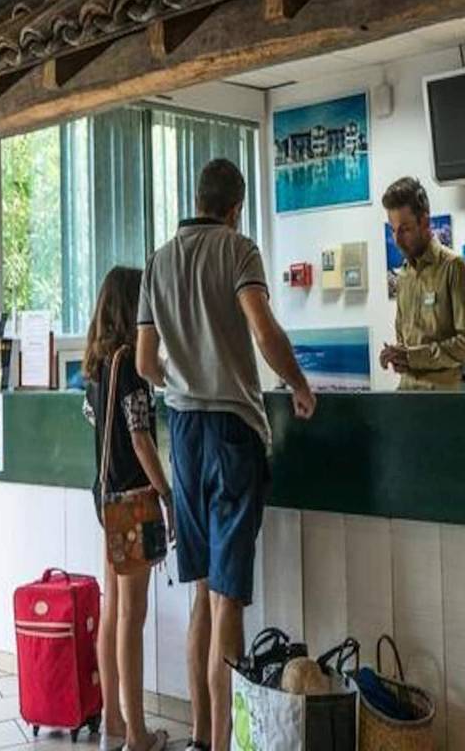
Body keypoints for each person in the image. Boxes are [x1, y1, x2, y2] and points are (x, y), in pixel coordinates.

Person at [136, 158, 316, 751]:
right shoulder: (239, 251)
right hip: (234, 431)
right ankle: (226, 744)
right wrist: (298, 385)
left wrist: (178, 377)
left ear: (197, 196)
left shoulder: (159, 260)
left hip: (183, 432)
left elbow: (143, 362)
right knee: (229, 595)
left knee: (201, 592)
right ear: (235, 206)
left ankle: (200, 737)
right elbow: (263, 331)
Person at [83, 267, 173, 751]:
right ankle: (138, 734)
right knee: (132, 619)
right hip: (133, 500)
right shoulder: (133, 366)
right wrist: (167, 493)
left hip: (103, 497)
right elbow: (141, 440)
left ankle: (113, 722)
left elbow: (97, 425)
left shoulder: (95, 366)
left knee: (112, 609)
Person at [379, 176, 465, 389]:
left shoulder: (454, 267)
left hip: (441, 402)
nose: (397, 240)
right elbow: (405, 342)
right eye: (393, 230)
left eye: (404, 229)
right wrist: (396, 356)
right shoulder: (404, 277)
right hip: (407, 396)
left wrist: (413, 357)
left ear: (425, 222)